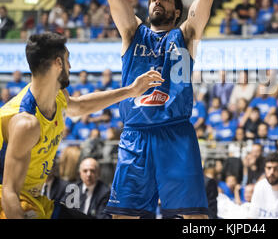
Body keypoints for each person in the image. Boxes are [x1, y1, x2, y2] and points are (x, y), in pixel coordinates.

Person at [104, 0, 214, 219]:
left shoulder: (186, 34)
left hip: (175, 134)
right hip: (135, 134)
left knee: (195, 218)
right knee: (123, 216)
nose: (157, 1)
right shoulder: (132, 32)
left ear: (177, 12)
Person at [0, 32, 163, 219]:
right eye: (67, 60)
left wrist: (131, 91)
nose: (70, 66)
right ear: (58, 64)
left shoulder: (58, 95)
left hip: (34, 199)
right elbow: (9, 193)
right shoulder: (26, 123)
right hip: (8, 203)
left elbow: (79, 106)